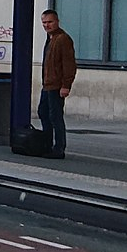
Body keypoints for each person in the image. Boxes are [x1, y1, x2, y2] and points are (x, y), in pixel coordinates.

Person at [38, 8, 76, 159]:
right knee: (44, 112)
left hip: (56, 86)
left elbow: (69, 64)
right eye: (44, 23)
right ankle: (48, 144)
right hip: (47, 85)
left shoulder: (62, 39)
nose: (47, 25)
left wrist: (66, 85)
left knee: (55, 117)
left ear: (57, 22)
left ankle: (59, 148)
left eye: (50, 22)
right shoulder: (51, 38)